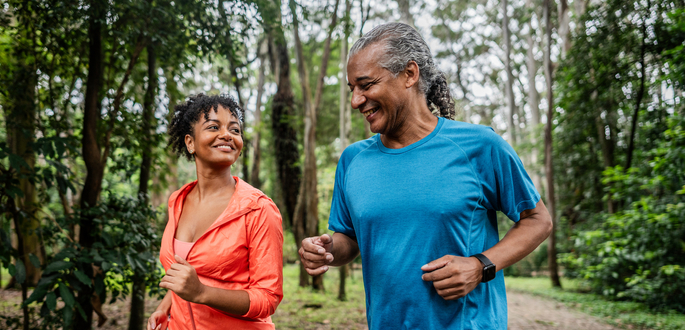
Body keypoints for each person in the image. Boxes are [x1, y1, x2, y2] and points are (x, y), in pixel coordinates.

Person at [297, 22, 553, 329]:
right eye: (352, 89)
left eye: (366, 85)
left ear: (409, 74)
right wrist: (326, 252)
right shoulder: (353, 160)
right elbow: (349, 239)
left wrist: (479, 266)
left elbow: (538, 220)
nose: (356, 101)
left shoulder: (479, 146)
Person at [147, 94, 283, 330]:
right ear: (190, 143)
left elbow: (267, 298)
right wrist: (163, 308)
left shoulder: (259, 209)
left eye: (235, 130)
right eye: (213, 127)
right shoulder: (177, 201)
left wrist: (201, 293)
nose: (227, 135)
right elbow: (185, 275)